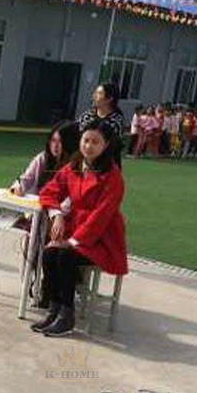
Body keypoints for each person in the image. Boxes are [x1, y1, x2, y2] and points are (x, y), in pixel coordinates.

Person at [32, 120, 128, 338]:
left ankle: (67, 316)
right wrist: (56, 215)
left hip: (101, 238)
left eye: (95, 142)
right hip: (75, 230)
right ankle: (54, 310)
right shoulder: (74, 166)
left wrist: (74, 240)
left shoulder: (112, 176)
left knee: (64, 255)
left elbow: (102, 216)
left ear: (106, 145)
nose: (89, 146)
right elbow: (49, 191)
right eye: (86, 140)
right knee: (48, 253)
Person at [10, 121, 81, 308]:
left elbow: (72, 200)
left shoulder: (76, 167)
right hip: (43, 215)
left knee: (47, 239)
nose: (55, 146)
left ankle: (52, 288)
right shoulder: (43, 158)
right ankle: (39, 283)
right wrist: (18, 186)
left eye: (60, 141)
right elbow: (26, 179)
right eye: (52, 141)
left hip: (68, 221)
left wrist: (56, 213)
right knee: (34, 235)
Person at [78, 83, 125, 168]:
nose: (94, 96)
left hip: (106, 165)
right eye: (95, 93)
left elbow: (113, 146)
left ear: (109, 99)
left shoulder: (116, 121)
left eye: (99, 93)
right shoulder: (86, 116)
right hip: (85, 164)